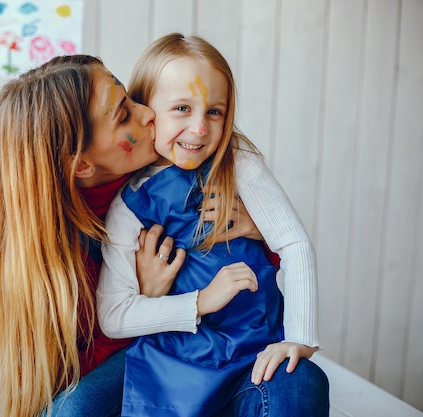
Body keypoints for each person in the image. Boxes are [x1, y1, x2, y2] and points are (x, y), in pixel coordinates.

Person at [0, 54, 259, 417]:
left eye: (129, 98)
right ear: (83, 166)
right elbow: (50, 379)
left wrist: (256, 228)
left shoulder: (165, 172)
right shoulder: (29, 246)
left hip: (213, 344)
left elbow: (261, 260)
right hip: (123, 359)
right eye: (124, 115)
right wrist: (143, 296)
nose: (149, 113)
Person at [97, 33, 329, 416]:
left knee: (299, 384)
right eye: (182, 109)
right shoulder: (131, 202)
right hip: (170, 360)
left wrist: (300, 339)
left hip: (252, 353)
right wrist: (202, 301)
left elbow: (294, 243)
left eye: (215, 112)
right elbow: (113, 314)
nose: (201, 128)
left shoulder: (239, 165)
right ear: (147, 110)